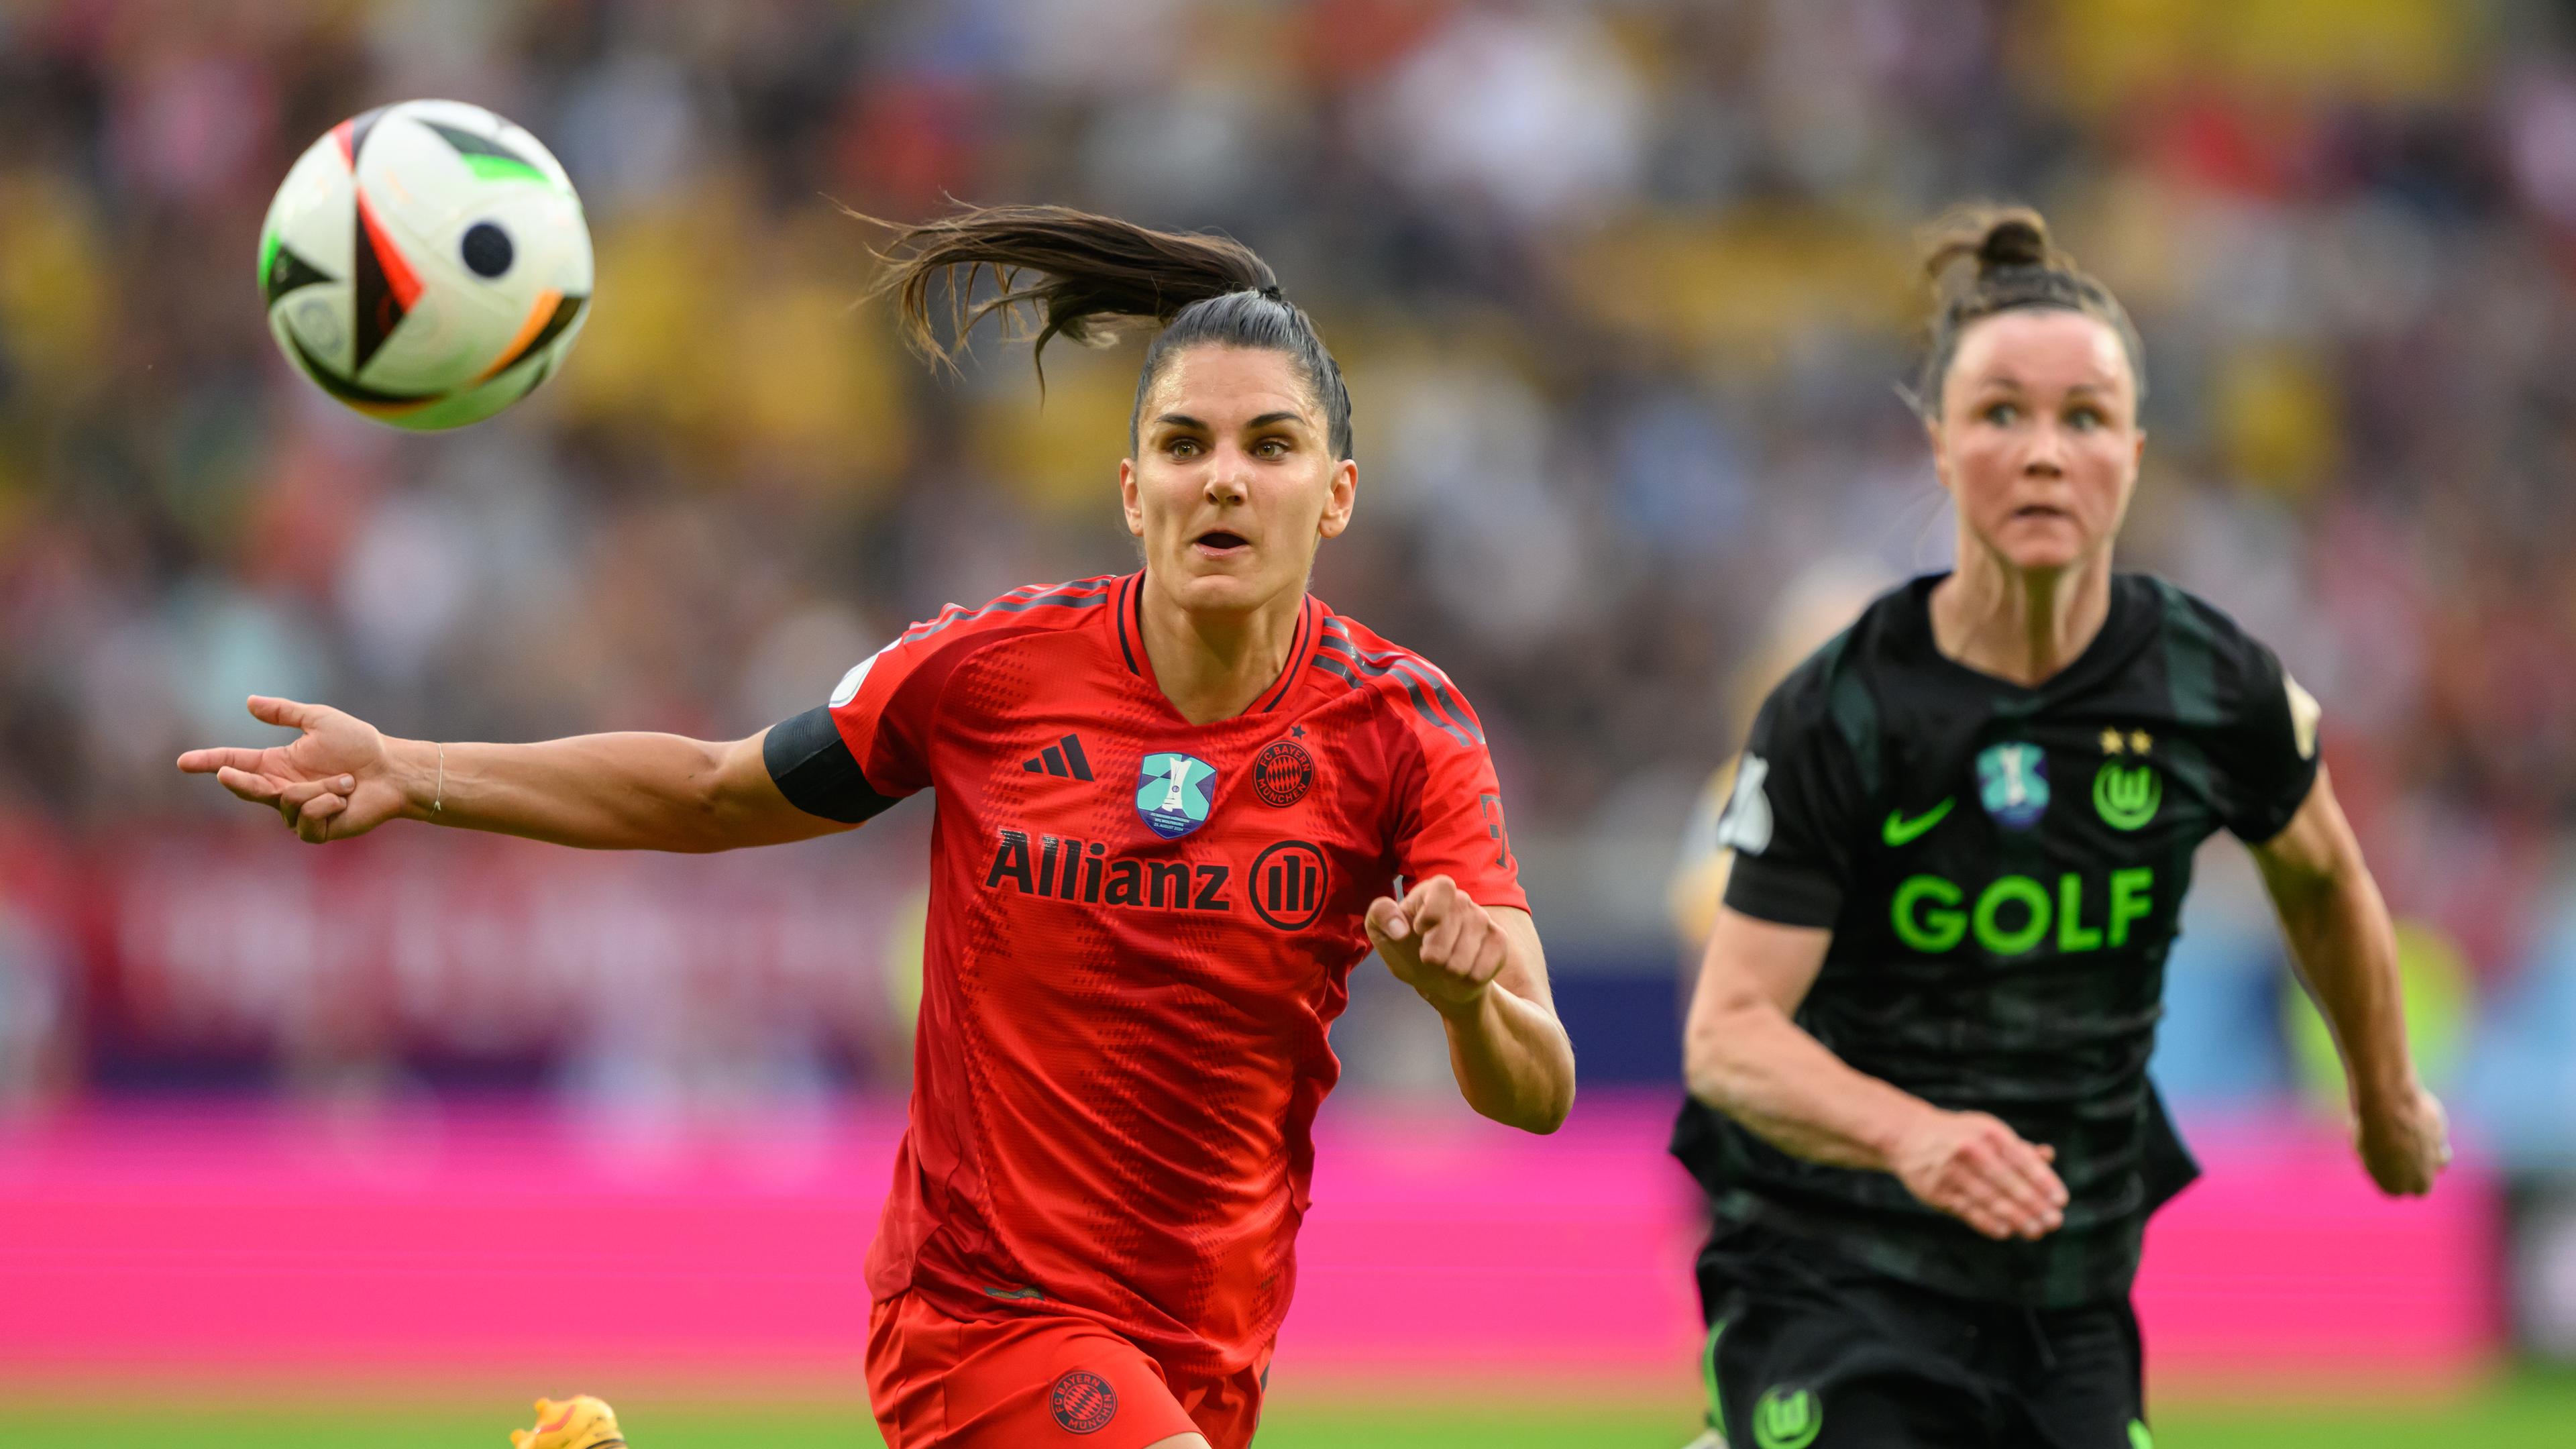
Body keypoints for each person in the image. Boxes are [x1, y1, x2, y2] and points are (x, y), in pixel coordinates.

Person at [178, 203, 1576, 1449]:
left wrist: (1466, 1006)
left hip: (1209, 1342)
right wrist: (413, 767)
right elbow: (718, 791)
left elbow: (1540, 1086)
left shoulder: (1405, 727)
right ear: (1130, 487)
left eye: (1271, 446)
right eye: (1184, 443)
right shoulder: (988, 674)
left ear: (1334, 494)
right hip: (982, 1316)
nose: (1224, 478)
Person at [1669, 207, 2449, 1449]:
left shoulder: (2212, 684)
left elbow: (2324, 877)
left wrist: (2384, 1092)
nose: (2044, 454)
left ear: (2135, 453)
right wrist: (1909, 1134)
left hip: (2068, 1299)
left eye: (2083, 418)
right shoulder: (1841, 709)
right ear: (1937, 447)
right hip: (1835, 1270)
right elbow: (1729, 1035)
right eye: (1999, 415)